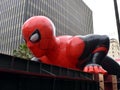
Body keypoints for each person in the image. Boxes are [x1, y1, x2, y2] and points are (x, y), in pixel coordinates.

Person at [22, 16, 120, 76]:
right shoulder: (40, 60)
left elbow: (103, 39)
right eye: (26, 41)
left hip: (105, 67)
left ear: (48, 33)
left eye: (34, 38)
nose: (29, 45)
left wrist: (94, 62)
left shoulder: (73, 46)